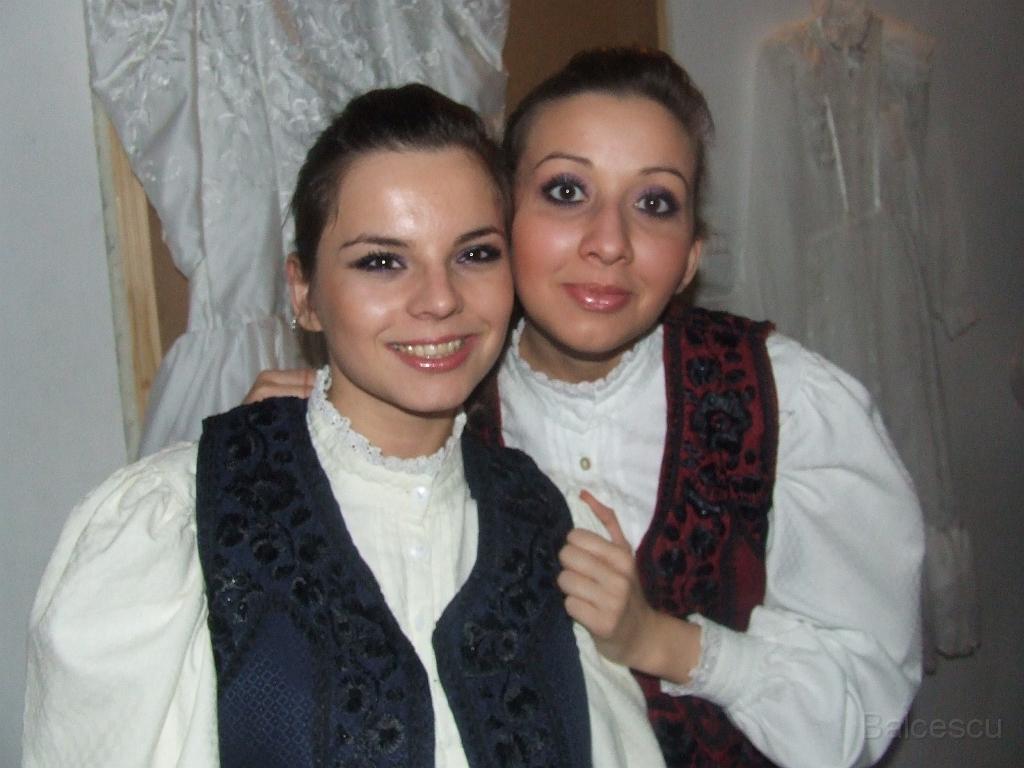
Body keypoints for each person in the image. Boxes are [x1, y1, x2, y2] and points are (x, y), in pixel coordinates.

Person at [249, 48, 925, 768]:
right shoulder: (433, 401)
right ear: (501, 220)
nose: (609, 243)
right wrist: (323, 428)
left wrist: (665, 643)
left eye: (654, 203)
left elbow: (867, 712)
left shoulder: (786, 404)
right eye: (567, 191)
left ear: (691, 256)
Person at [22, 84, 665, 768]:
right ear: (304, 293)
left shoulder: (552, 525)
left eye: (475, 254)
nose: (440, 299)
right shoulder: (179, 521)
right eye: (382, 262)